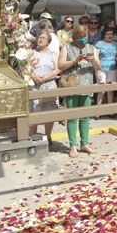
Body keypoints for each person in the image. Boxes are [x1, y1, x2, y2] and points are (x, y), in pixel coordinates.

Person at [57, 25, 100, 158]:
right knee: (72, 117)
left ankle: (85, 143)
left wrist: (93, 60)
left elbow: (98, 67)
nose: (83, 39)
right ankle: (73, 146)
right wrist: (75, 61)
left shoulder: (91, 48)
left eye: (85, 36)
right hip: (72, 85)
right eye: (80, 36)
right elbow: (60, 65)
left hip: (87, 85)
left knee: (85, 116)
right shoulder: (67, 47)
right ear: (75, 36)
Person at [28, 30, 59, 144]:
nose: (40, 40)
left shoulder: (53, 54)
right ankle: (33, 138)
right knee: (34, 111)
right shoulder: (31, 53)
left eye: (43, 38)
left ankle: (48, 136)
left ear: (48, 41)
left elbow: (56, 69)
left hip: (48, 84)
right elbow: (27, 68)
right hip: (34, 85)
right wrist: (34, 77)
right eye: (39, 37)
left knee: (49, 112)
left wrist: (45, 78)